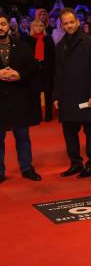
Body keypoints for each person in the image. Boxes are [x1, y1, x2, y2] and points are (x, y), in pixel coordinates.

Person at [54, 8, 91, 179]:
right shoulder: (60, 45)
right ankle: (75, 163)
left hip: (87, 96)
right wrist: (56, 96)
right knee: (69, 132)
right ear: (61, 25)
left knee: (90, 132)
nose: (69, 25)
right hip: (67, 97)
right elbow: (57, 73)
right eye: (65, 23)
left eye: (71, 22)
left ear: (77, 22)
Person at [0, 14, 42, 184]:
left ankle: (27, 167)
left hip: (19, 99)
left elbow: (33, 69)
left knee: (23, 136)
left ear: (8, 26)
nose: (0, 27)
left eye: (2, 23)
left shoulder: (23, 46)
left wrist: (19, 75)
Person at [25, 19, 56, 122]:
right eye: (36, 26)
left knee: (48, 93)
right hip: (34, 70)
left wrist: (53, 70)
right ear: (32, 27)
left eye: (41, 26)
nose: (39, 28)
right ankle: (37, 116)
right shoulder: (28, 40)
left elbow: (53, 56)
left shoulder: (48, 39)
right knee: (35, 94)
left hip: (47, 69)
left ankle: (48, 115)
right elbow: (26, 57)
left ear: (44, 27)